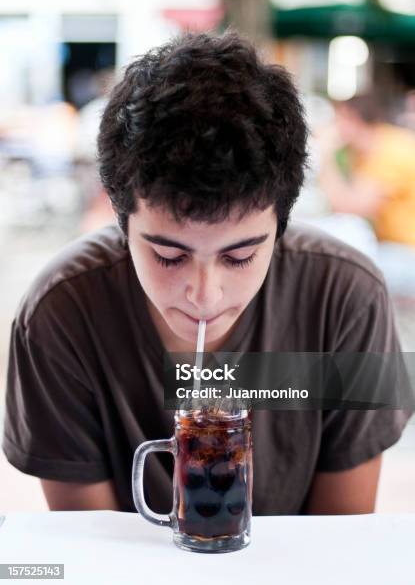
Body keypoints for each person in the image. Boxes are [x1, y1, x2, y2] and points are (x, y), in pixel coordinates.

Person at [2, 31, 412, 514]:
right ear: (121, 220)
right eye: (168, 257)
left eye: (239, 257)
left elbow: (340, 537)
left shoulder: (344, 297)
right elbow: (92, 544)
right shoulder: (61, 313)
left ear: (280, 224)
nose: (204, 293)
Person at [318, 94, 415, 297]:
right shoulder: (369, 150)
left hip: (407, 254)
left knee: (342, 270)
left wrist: (325, 155)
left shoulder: (390, 151)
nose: (334, 126)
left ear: (354, 120)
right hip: (395, 249)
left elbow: (347, 206)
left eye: (339, 119)